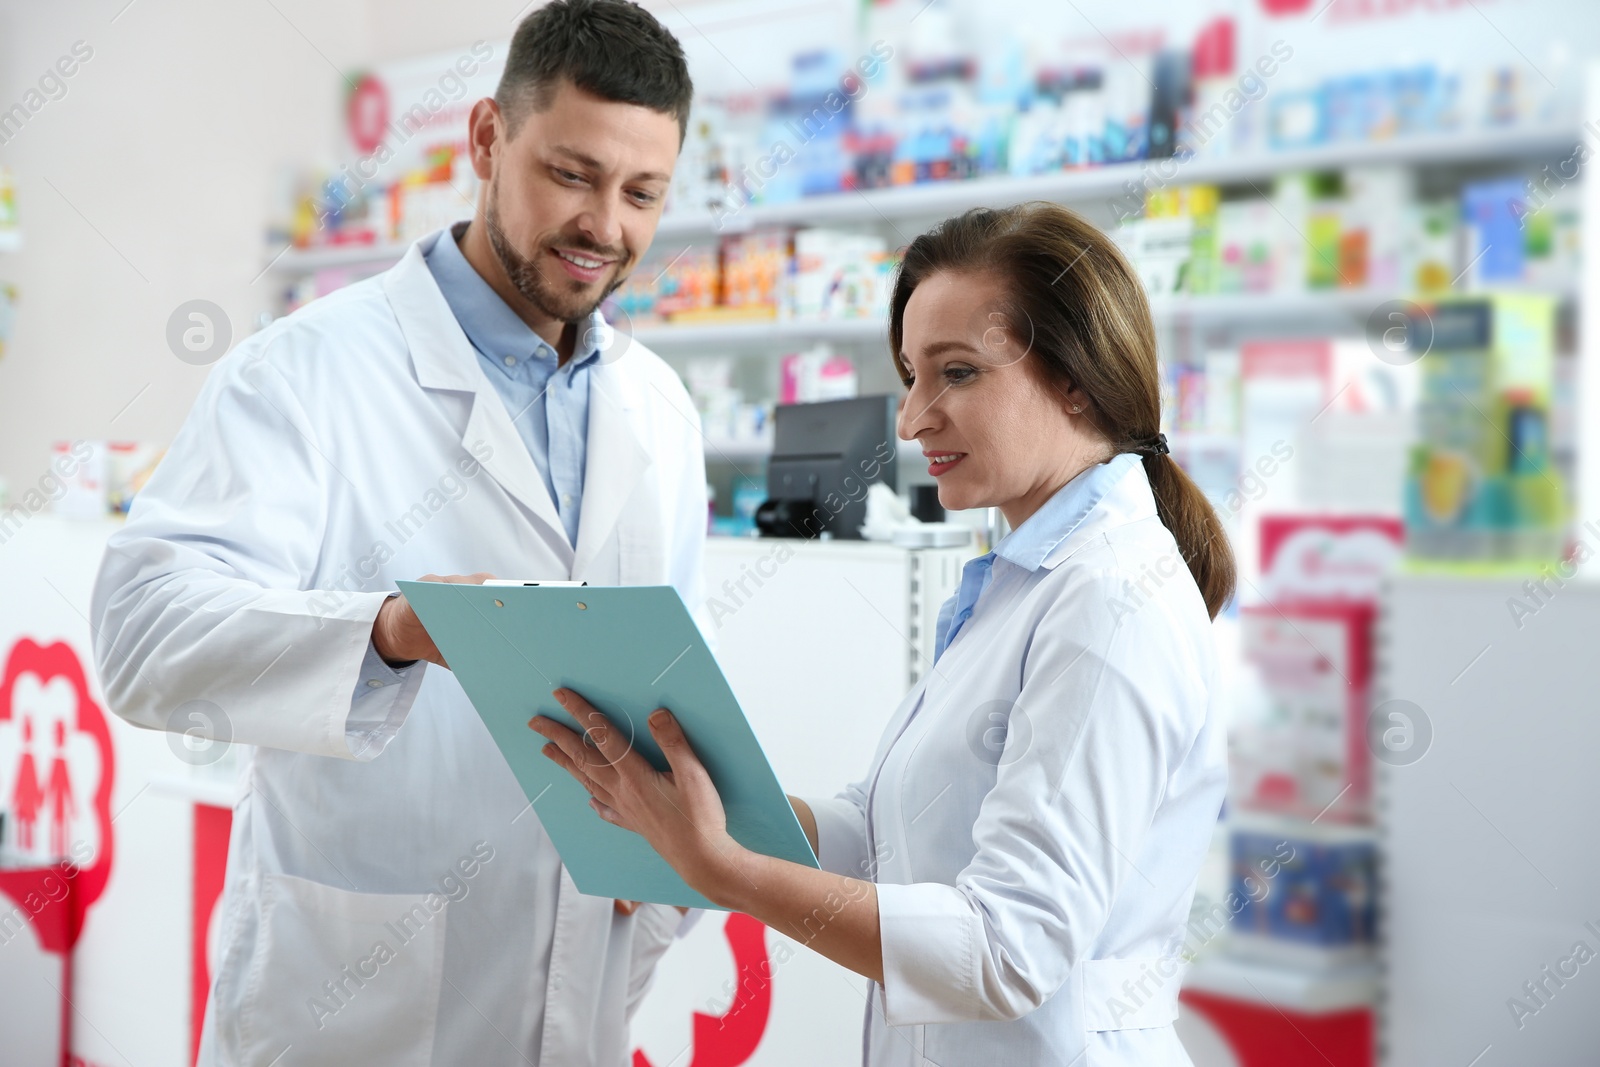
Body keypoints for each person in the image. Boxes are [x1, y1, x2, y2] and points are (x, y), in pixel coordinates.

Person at [90, 3, 705, 1064]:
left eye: (641, 191)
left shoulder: (659, 409)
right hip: (357, 997)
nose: (606, 224)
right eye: (572, 173)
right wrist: (385, 630)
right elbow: (145, 635)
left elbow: (666, 693)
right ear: (484, 139)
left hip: (579, 987)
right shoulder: (307, 371)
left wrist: (664, 887)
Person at [531, 201, 1236, 1066]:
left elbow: (1010, 949)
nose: (911, 419)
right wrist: (693, 803)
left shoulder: (1110, 599)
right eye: (911, 374)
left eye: (958, 373)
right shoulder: (1018, 583)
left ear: (1075, 380)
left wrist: (723, 870)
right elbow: (885, 836)